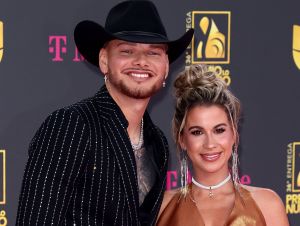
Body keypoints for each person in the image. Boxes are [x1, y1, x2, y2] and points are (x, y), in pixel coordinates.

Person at [15, 1, 194, 225]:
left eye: (153, 53)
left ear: (166, 66)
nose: (141, 61)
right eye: (127, 51)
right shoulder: (70, 125)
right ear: (104, 60)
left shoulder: (158, 143)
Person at [156, 64, 289, 226]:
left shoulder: (267, 205)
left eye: (219, 130)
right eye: (197, 132)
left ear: (234, 134)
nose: (210, 144)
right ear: (182, 139)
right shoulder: (161, 207)